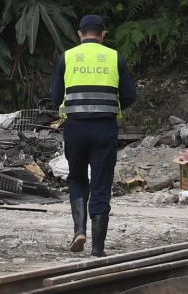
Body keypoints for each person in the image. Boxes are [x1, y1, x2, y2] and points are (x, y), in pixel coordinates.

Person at [51, 14, 137, 257]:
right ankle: (98, 248)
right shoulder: (114, 57)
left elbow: (56, 97)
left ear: (80, 34)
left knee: (77, 179)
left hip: (75, 128)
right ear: (103, 34)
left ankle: (79, 230)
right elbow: (130, 95)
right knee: (101, 184)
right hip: (104, 128)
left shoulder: (67, 57)